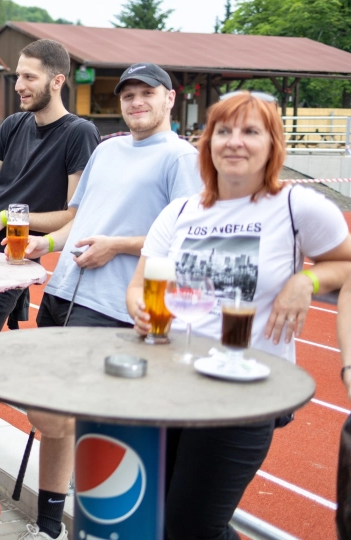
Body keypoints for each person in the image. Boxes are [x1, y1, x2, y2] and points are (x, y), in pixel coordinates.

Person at [126, 91, 351, 540]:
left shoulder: (297, 206)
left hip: (246, 392)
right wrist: (138, 306)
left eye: (251, 131)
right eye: (223, 131)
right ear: (207, 142)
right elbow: (139, 284)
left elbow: (346, 263)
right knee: (158, 520)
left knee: (192, 528)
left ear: (273, 144)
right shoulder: (181, 211)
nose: (234, 142)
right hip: (170, 384)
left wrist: (303, 282)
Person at [17, 63, 201, 539]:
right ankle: (50, 525)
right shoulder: (107, 148)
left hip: (113, 304)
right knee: (49, 412)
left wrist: (116, 246)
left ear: (169, 99)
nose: (136, 101)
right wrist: (48, 244)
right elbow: (82, 216)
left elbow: (187, 238)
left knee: (65, 414)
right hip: (62, 290)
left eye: (147, 93)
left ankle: (104, 512)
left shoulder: (181, 158)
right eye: (128, 95)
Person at [0, 39, 100, 514]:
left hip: (9, 261)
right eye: (17, 75)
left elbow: (75, 216)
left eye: (29, 77)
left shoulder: (80, 133)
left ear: (57, 80)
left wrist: (16, 219)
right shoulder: (13, 125)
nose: (20, 85)